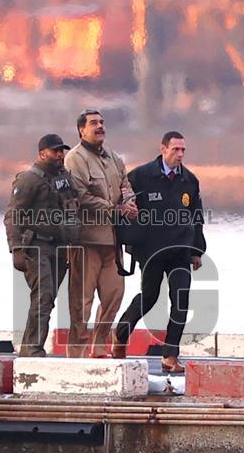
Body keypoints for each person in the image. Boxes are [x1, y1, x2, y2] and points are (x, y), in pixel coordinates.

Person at [112, 131, 206, 373]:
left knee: (181, 300)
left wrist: (197, 251)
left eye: (183, 150)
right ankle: (121, 333)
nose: (180, 154)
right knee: (150, 297)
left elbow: (197, 217)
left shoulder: (190, 181)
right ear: (163, 149)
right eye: (175, 149)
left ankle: (170, 355)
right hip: (151, 250)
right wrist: (128, 237)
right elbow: (123, 200)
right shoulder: (142, 176)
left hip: (180, 251)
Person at [64, 109, 138, 358]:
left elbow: (125, 185)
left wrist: (129, 202)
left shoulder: (114, 158)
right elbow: (81, 195)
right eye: (94, 123)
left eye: (102, 122)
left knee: (114, 296)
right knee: (82, 302)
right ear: (81, 130)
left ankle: (98, 348)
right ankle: (76, 354)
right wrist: (115, 209)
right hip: (86, 241)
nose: (100, 126)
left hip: (113, 241)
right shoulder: (75, 158)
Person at [5, 134, 80, 357]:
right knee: (43, 295)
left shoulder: (64, 177)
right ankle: (32, 349)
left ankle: (32, 345)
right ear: (42, 153)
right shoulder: (29, 179)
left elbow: (74, 204)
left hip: (59, 246)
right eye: (55, 151)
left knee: (48, 299)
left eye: (61, 151)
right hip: (36, 245)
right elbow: (12, 215)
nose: (59, 155)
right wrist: (16, 249)